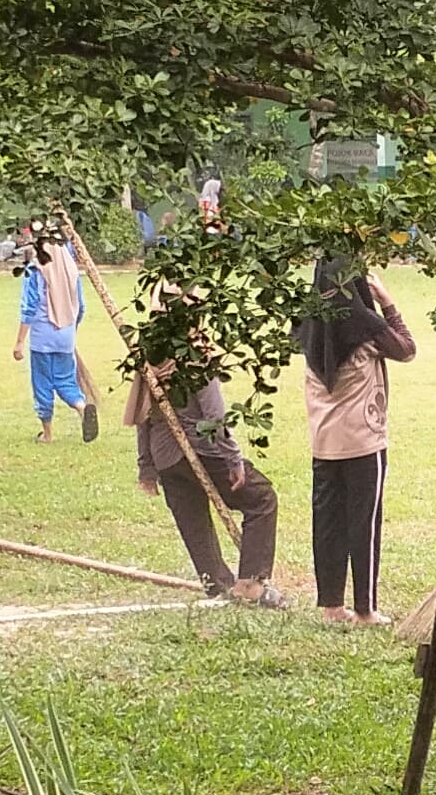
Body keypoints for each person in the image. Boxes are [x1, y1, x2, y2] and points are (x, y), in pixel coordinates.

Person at [299, 254, 414, 624]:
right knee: (364, 524)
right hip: (363, 442)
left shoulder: (309, 322)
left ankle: (331, 605)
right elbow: (407, 349)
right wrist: (388, 302)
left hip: (324, 441)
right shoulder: (364, 325)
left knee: (328, 522)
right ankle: (365, 608)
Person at [127, 332, 282, 603]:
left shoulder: (151, 355)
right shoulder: (195, 359)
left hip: (165, 457)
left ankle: (214, 582)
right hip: (203, 451)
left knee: (192, 518)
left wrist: (148, 465)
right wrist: (233, 460)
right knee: (260, 498)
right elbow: (215, 417)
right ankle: (250, 584)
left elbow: (144, 417)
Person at [16, 229, 96, 440]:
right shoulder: (70, 270)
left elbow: (29, 307)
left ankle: (48, 434)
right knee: (66, 381)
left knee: (42, 383)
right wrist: (71, 331)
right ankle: (81, 407)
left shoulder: (35, 270)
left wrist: (19, 342)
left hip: (42, 337)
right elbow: (81, 306)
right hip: (66, 336)